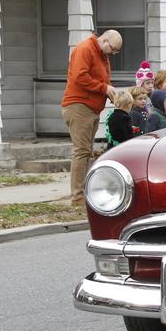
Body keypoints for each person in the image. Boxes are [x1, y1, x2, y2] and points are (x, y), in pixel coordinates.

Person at [61, 29, 122, 206]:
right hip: (79, 105)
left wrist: (109, 91)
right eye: (113, 49)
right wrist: (104, 89)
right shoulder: (85, 49)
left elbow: (101, 80)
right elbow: (80, 76)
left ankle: (85, 192)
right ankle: (77, 197)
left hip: (92, 108)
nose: (113, 53)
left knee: (87, 151)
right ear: (104, 40)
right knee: (81, 151)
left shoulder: (103, 55)